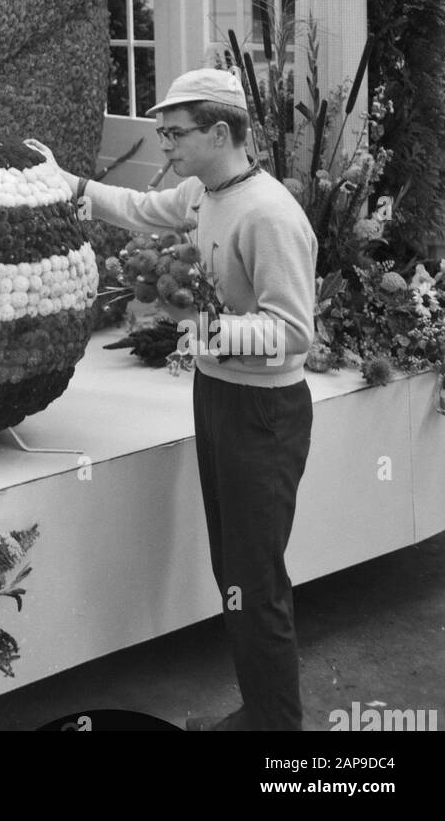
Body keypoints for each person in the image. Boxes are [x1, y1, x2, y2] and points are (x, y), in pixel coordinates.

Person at [31, 68, 318, 732]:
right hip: (216, 396)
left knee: (255, 580)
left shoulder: (269, 215)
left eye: (173, 134)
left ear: (221, 132)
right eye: (160, 134)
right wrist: (70, 186)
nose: (163, 147)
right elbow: (137, 210)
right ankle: (262, 712)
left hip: (263, 414)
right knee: (233, 571)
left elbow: (295, 333)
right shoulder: (201, 191)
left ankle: (277, 730)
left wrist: (197, 324)